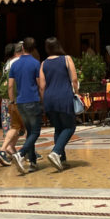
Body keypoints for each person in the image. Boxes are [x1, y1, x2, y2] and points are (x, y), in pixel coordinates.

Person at [39, 37, 79, 171]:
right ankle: (55, 152)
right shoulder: (66, 59)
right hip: (64, 96)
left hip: (49, 98)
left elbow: (42, 85)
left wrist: (44, 101)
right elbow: (74, 78)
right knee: (70, 127)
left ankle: (61, 159)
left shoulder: (44, 63)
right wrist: (77, 91)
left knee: (58, 128)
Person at [8, 37, 42, 173]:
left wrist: (12, 101)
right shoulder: (35, 63)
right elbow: (40, 84)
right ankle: (21, 154)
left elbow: (10, 86)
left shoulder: (14, 64)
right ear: (33, 49)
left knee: (30, 131)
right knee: (35, 131)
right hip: (32, 100)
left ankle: (33, 162)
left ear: (22, 48)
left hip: (20, 102)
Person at [0, 42, 23, 167]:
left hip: (5, 98)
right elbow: (12, 84)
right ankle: (6, 149)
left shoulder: (7, 64)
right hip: (14, 98)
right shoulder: (17, 62)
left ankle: (11, 149)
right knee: (18, 125)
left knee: (13, 125)